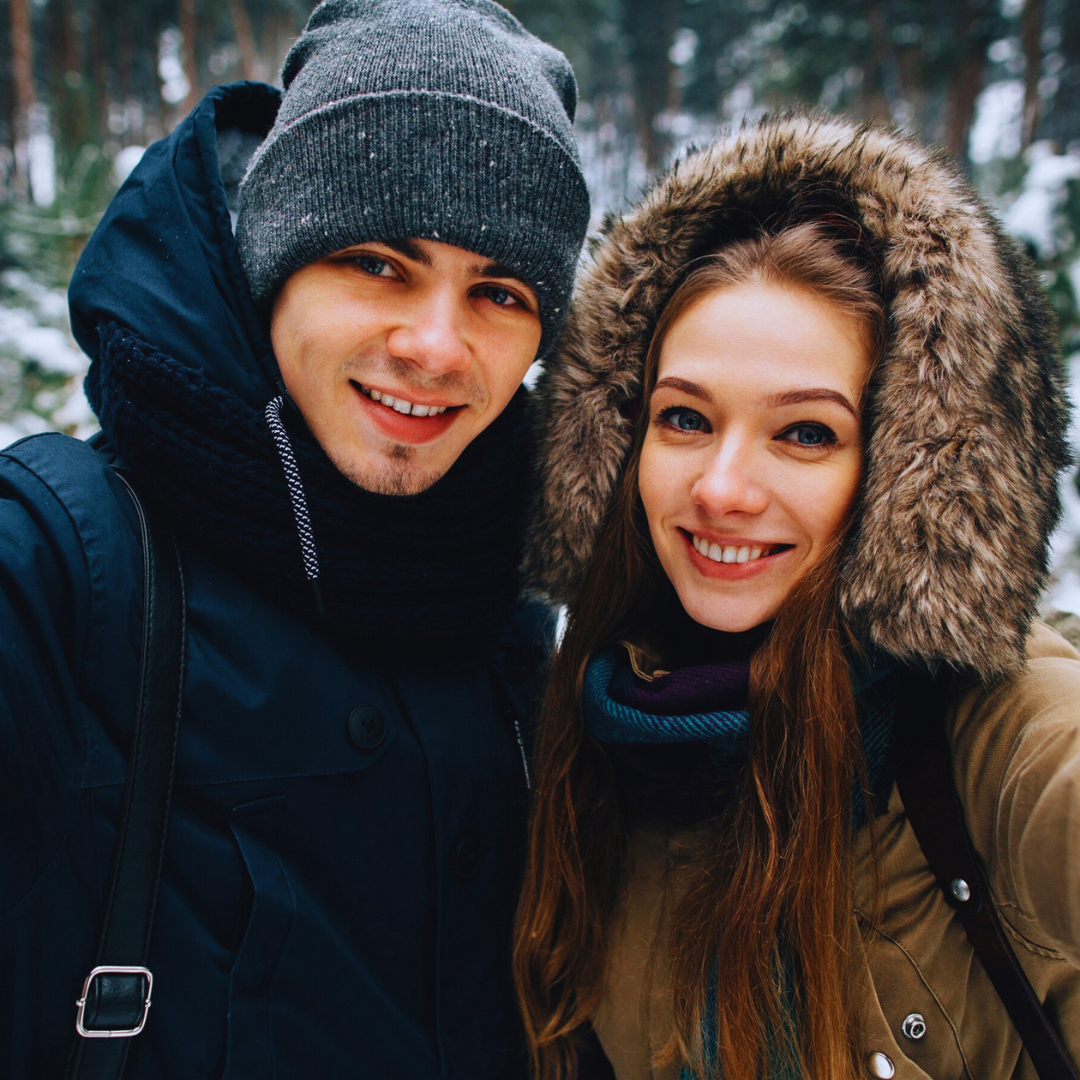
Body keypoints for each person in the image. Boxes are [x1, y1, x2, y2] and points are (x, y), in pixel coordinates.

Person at [0, 1, 590, 1076]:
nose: (435, 346)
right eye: (378, 262)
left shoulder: (517, 610)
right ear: (273, 259)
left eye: (499, 291)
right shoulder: (61, 575)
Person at [513, 113, 1080, 1080]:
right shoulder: (592, 734)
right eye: (685, 417)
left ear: (909, 474)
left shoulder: (999, 737)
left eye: (806, 434)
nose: (724, 487)